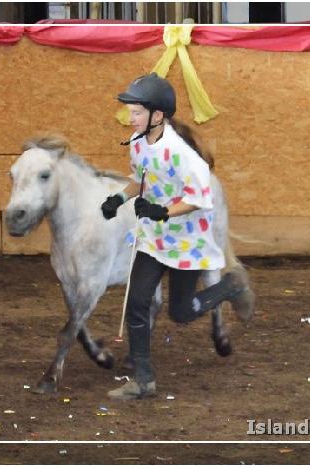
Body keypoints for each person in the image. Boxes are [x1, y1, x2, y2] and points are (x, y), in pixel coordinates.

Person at [101, 73, 254, 400]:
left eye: (137, 112)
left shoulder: (183, 155)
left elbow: (198, 198)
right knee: (137, 303)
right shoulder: (139, 144)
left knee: (181, 312)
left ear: (158, 116)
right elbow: (139, 177)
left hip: (186, 241)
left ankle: (232, 286)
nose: (130, 118)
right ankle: (143, 380)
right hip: (153, 239)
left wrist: (162, 212)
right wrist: (120, 198)